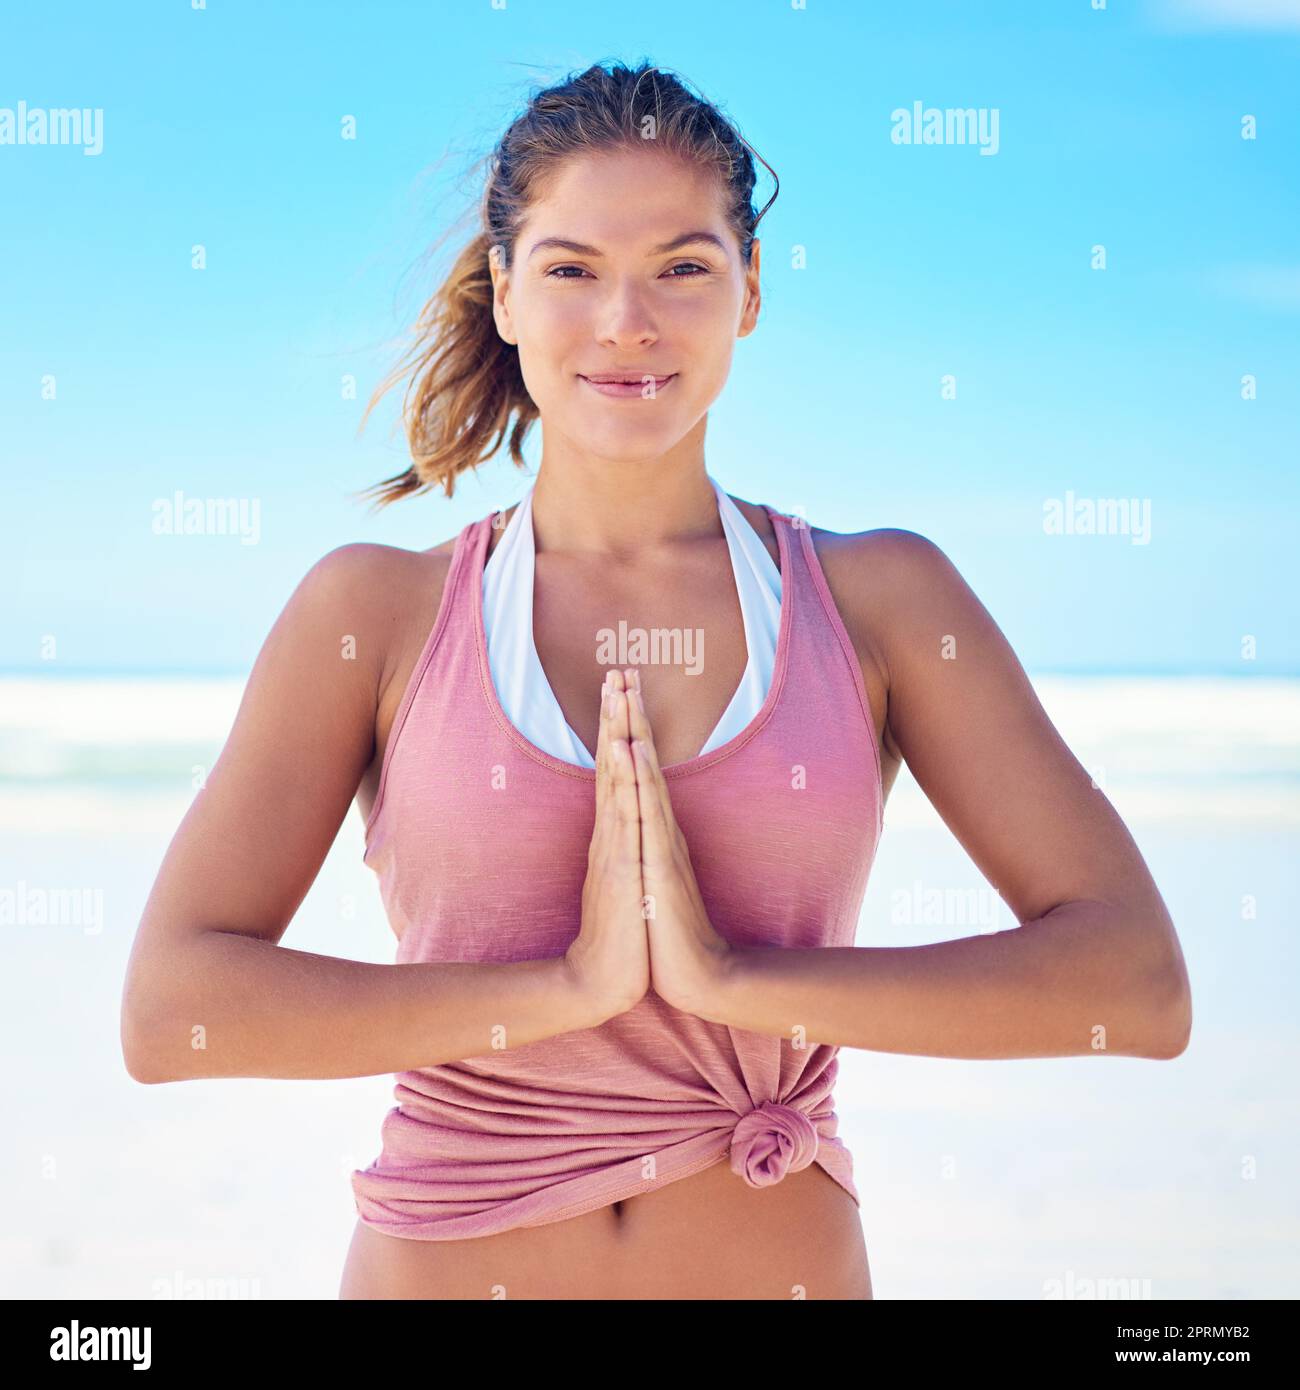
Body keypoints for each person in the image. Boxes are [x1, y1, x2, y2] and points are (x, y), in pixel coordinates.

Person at [120, 60, 1193, 1301]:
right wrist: (566, 988)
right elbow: (172, 1008)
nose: (626, 319)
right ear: (506, 293)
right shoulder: (374, 613)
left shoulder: (881, 602)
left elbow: (1135, 982)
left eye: (683, 266)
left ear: (749, 296)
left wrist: (732, 982)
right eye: (572, 268)